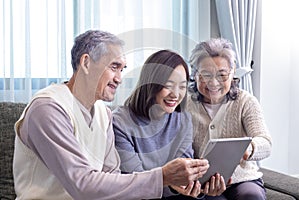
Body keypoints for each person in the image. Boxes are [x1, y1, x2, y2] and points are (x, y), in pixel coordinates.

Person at [13, 30, 210, 200]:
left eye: (122, 69)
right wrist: (162, 177)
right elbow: (81, 184)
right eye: (114, 67)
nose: (119, 79)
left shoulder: (103, 114)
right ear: (86, 63)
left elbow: (113, 179)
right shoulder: (47, 109)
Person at [113, 49, 226, 200]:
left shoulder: (183, 120)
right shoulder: (120, 123)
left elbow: (185, 173)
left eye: (182, 86)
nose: (176, 94)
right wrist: (172, 183)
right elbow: (136, 183)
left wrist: (198, 186)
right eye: (168, 85)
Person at [187, 38, 272, 200]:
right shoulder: (185, 104)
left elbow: (266, 143)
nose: (213, 82)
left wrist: (248, 149)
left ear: (233, 74)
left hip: (242, 179)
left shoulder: (246, 101)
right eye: (206, 75)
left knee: (251, 196)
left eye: (222, 75)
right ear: (195, 75)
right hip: (202, 181)